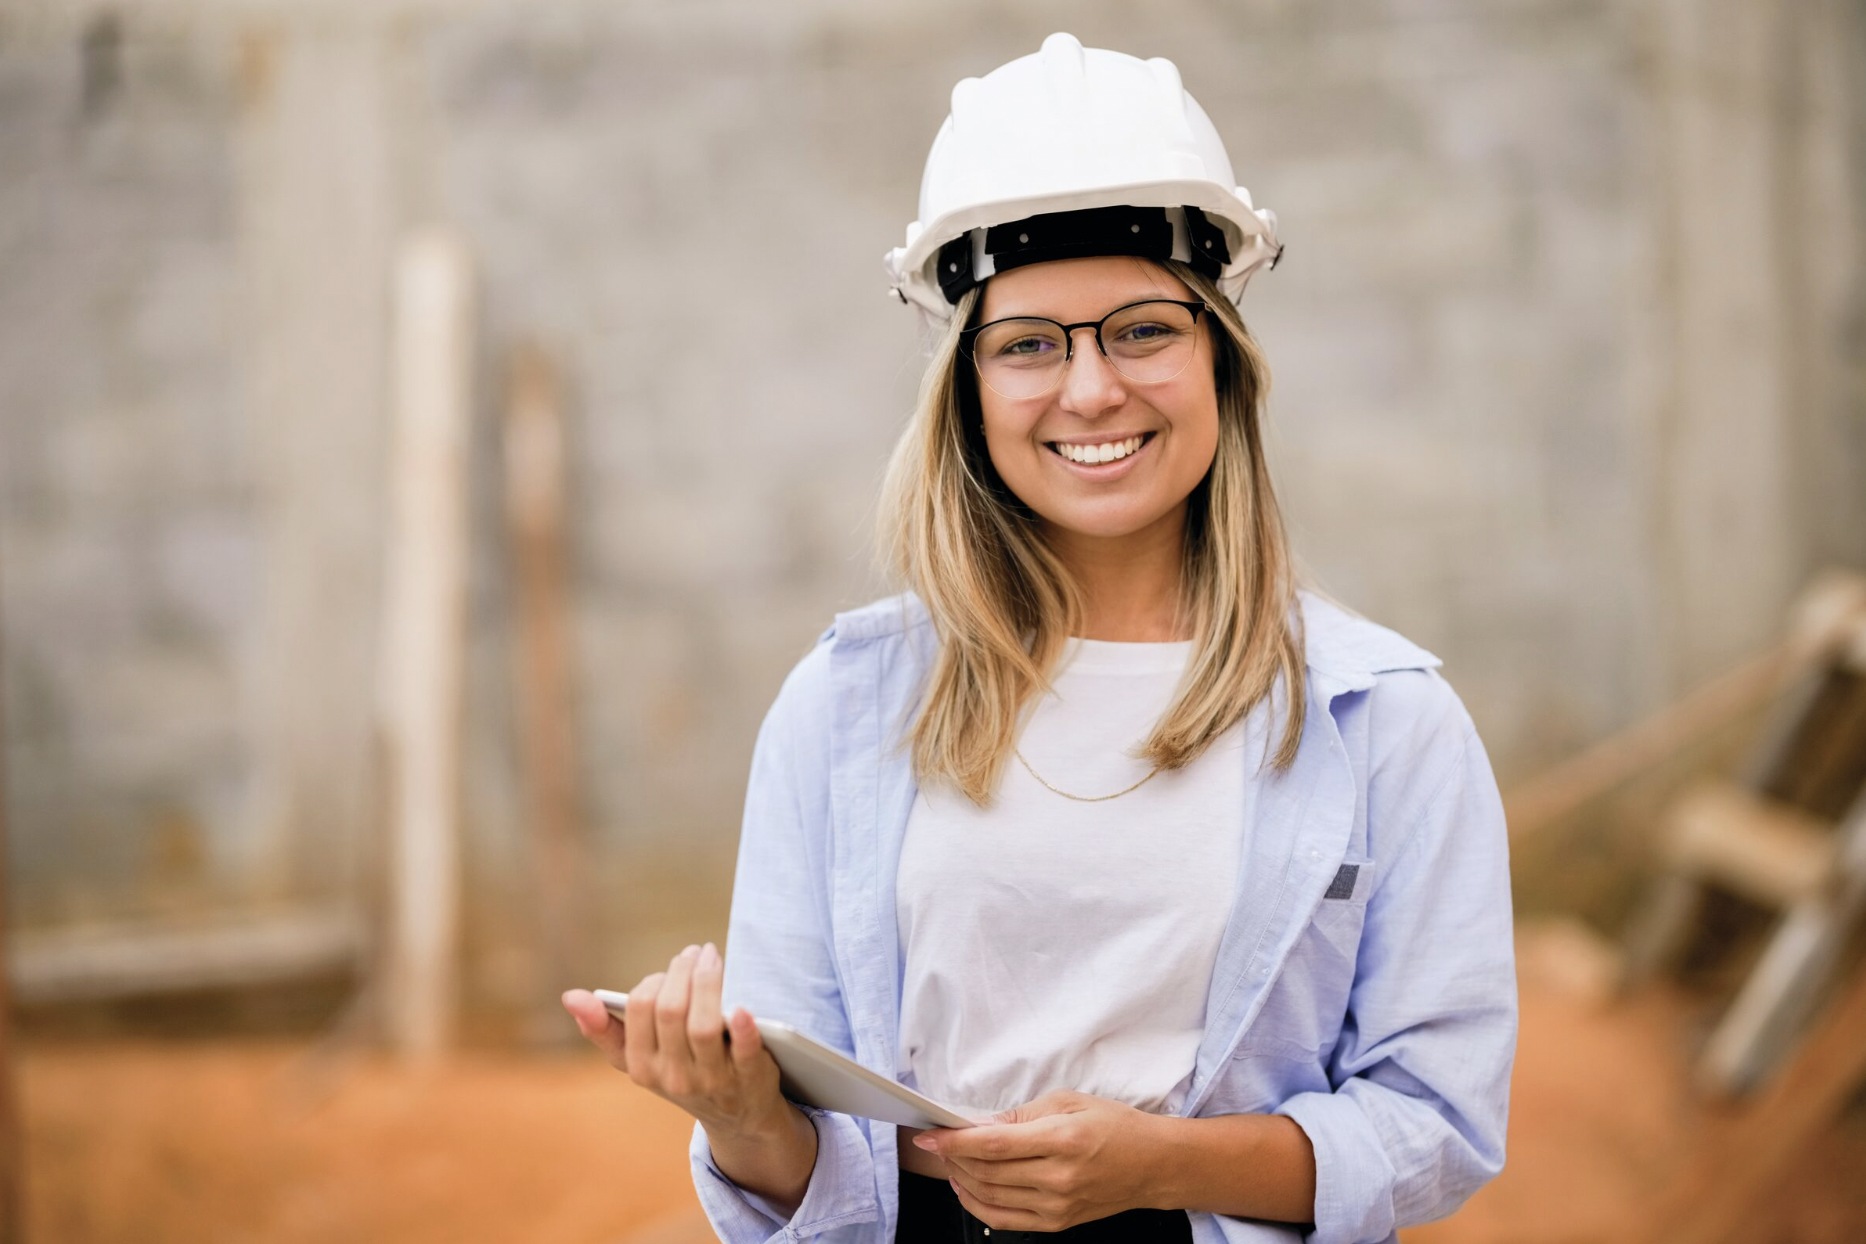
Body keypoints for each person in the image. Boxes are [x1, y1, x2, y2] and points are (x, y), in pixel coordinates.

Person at [562, 32, 1516, 1244]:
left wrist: (1159, 1165)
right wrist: (737, 1112)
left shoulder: (1384, 718)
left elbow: (1436, 1121)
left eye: (1142, 329)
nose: (1090, 389)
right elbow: (808, 1168)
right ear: (964, 386)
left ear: (1222, 357)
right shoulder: (844, 705)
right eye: (1028, 343)